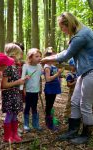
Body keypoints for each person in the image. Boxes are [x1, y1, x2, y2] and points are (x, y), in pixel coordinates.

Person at [41, 12, 93, 144]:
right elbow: (67, 51)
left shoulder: (81, 35)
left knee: (85, 105)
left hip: (91, 72)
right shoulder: (81, 33)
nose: (63, 31)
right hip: (84, 72)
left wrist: (47, 58)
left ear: (68, 24)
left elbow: (66, 55)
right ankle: (72, 130)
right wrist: (50, 58)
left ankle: (86, 134)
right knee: (75, 102)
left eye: (62, 28)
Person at [1, 43, 28, 143]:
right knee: (9, 115)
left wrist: (23, 79)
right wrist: (18, 82)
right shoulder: (7, 67)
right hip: (9, 95)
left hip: (16, 94)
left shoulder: (14, 66)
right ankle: (7, 136)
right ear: (13, 55)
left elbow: (16, 81)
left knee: (15, 115)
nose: (20, 57)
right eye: (19, 55)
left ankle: (14, 134)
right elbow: (3, 85)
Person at [21, 48, 43, 132]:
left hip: (35, 91)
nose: (39, 58)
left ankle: (35, 124)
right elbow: (22, 79)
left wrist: (40, 88)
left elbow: (39, 77)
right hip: (28, 91)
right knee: (27, 107)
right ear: (30, 57)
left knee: (34, 107)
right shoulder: (25, 66)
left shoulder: (39, 66)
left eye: (40, 56)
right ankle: (26, 124)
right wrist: (23, 89)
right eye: (37, 56)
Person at [43, 47, 62, 130]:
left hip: (54, 88)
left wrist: (59, 77)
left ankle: (51, 120)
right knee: (49, 105)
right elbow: (48, 79)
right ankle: (49, 123)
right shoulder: (47, 67)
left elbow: (58, 77)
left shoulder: (53, 65)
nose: (55, 58)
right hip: (50, 89)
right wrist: (57, 74)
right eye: (53, 56)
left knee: (51, 105)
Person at [64, 58, 77, 122]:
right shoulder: (70, 75)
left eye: (75, 65)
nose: (74, 67)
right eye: (72, 65)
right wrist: (75, 81)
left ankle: (76, 117)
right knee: (69, 104)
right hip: (72, 91)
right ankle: (66, 117)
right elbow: (68, 84)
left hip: (79, 91)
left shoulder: (79, 73)